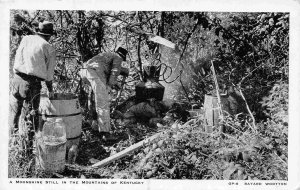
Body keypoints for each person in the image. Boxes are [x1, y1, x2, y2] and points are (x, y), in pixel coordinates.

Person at [9, 20, 56, 154]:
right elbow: (49, 75)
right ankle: (27, 150)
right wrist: (50, 90)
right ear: (49, 35)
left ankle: (12, 145)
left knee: (15, 113)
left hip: (17, 79)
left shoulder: (26, 39)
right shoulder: (48, 48)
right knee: (31, 116)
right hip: (32, 84)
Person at [79, 47, 129, 140]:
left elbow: (107, 71)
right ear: (122, 56)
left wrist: (114, 83)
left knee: (93, 99)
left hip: (84, 72)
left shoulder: (107, 55)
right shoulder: (118, 57)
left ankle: (94, 126)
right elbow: (114, 73)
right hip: (93, 74)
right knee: (103, 103)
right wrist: (111, 86)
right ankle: (106, 133)